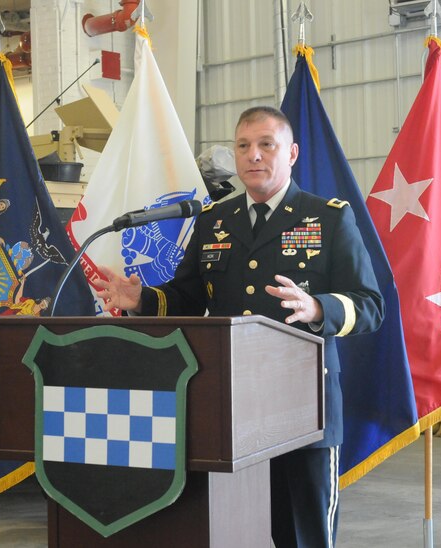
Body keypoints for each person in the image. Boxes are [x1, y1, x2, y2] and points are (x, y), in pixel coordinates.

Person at [94, 106, 383, 548]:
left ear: (292, 153)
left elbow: (370, 305)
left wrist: (318, 308)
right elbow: (188, 298)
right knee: (234, 527)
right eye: (244, 146)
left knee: (304, 532)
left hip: (305, 404)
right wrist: (142, 300)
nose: (254, 155)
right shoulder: (214, 222)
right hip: (232, 406)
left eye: (267, 144)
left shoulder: (327, 217)